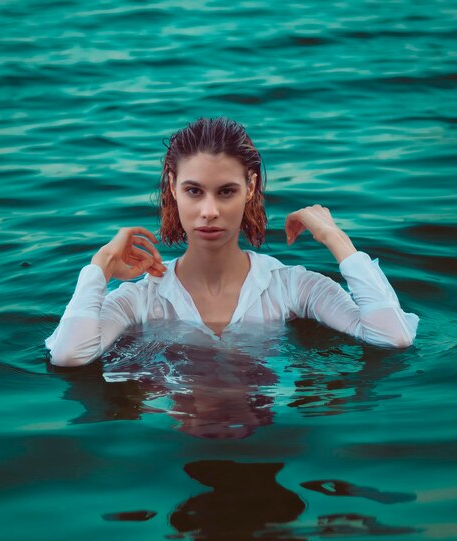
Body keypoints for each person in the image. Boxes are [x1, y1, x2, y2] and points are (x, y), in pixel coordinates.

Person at [45, 117, 419, 367]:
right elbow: (69, 356)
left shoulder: (291, 286)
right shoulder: (141, 298)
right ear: (173, 187)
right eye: (194, 191)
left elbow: (392, 337)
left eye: (226, 192)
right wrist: (100, 266)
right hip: (171, 449)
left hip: (267, 440)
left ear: (250, 188)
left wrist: (337, 241)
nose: (209, 211)